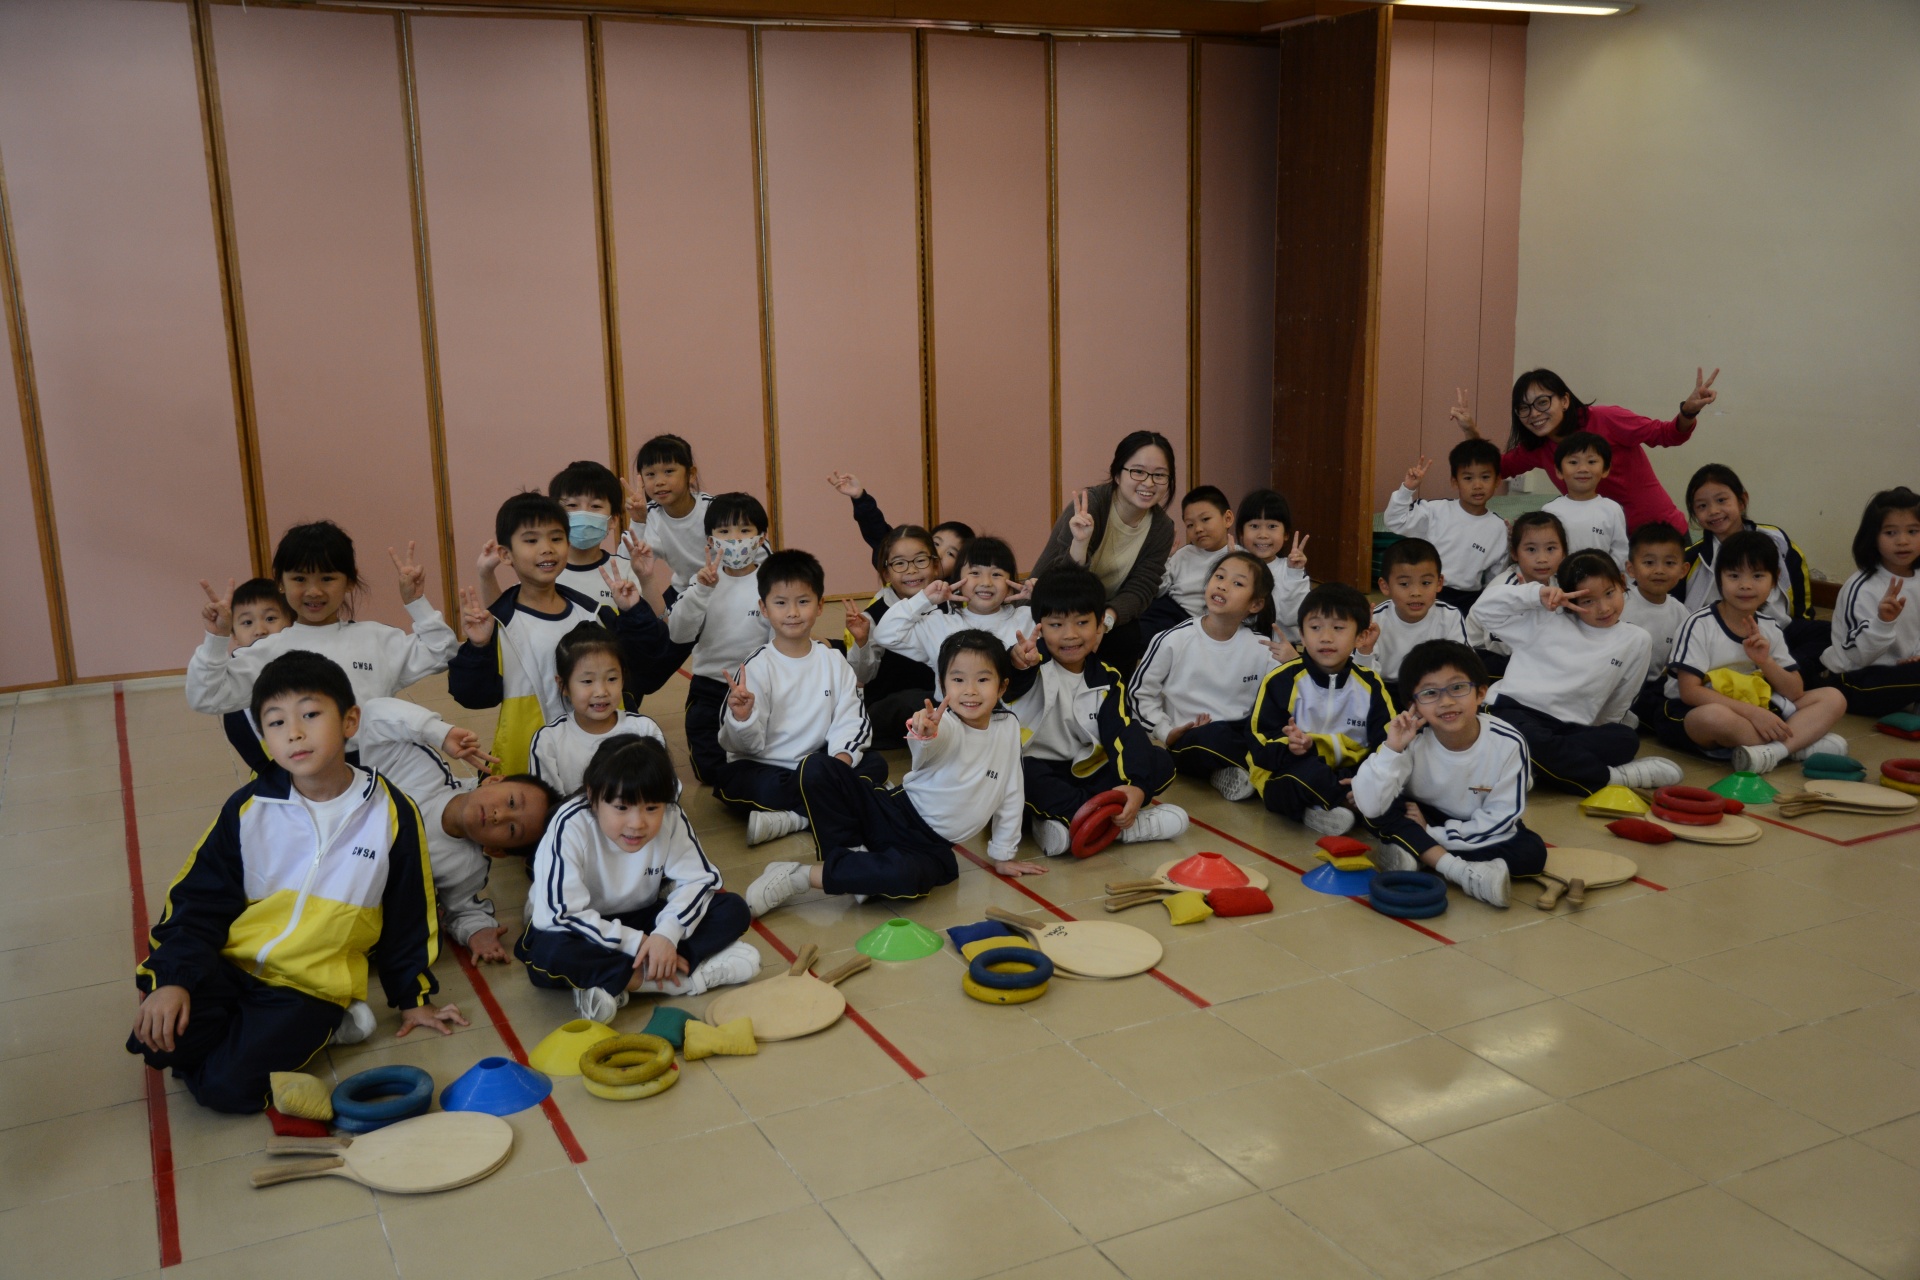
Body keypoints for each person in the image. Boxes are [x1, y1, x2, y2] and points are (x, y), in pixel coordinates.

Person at [128, 652, 464, 1113]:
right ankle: (261, 1037)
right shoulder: (249, 808)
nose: (294, 733)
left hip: (309, 987)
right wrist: (173, 981)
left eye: (310, 715)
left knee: (225, 1089)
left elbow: (410, 913)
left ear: (350, 721)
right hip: (234, 964)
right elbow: (196, 901)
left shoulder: (391, 810)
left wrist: (413, 999)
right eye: (276, 722)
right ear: (264, 737)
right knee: (155, 1042)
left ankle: (332, 1023)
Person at [744, 630, 1041, 917]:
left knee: (906, 877)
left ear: (1002, 687)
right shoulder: (946, 723)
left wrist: (1003, 854)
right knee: (817, 767)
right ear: (942, 685)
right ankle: (850, 857)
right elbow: (932, 741)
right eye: (958, 679)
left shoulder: (1008, 727)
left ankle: (799, 876)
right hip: (890, 813)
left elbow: (1012, 791)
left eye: (983, 679)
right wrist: (925, 732)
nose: (970, 690)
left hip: (930, 848)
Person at [519, 736, 758, 1023]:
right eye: (621, 808)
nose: (637, 824)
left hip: (641, 917)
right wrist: (637, 942)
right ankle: (675, 980)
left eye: (651, 808)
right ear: (593, 796)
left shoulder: (672, 816)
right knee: (549, 952)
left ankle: (614, 980)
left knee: (732, 909)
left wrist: (665, 935)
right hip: (581, 928)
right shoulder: (569, 824)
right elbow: (559, 915)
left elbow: (700, 880)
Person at [450, 493, 670, 776]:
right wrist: (478, 647)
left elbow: (649, 660)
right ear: (505, 554)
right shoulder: (499, 624)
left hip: (601, 762)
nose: (547, 549)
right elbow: (473, 696)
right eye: (531, 541)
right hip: (526, 766)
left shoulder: (593, 614)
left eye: (556, 538)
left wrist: (633, 612)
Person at [188, 521, 458, 737]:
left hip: (378, 768)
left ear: (349, 582)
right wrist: (216, 638)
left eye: (327, 578)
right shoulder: (267, 652)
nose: (314, 591)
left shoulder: (376, 638)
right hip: (305, 775)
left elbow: (442, 652)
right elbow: (206, 697)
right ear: (280, 583)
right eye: (299, 579)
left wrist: (416, 603)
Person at [357, 696, 563, 965]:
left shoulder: (467, 867)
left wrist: (478, 932)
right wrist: (440, 733)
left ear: (496, 850)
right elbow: (373, 713)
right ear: (493, 780)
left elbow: (462, 909)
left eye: (513, 829)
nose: (500, 815)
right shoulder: (419, 772)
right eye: (511, 801)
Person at [1004, 568, 1185, 855]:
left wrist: (1136, 786)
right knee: (1020, 776)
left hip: (1082, 771)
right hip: (1036, 767)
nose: (1070, 635)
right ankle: (1118, 826)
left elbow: (1123, 732)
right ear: (1039, 626)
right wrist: (1017, 664)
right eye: (1056, 624)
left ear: (1100, 625)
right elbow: (1010, 683)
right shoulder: (1028, 663)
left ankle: (1064, 821)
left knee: (1158, 761)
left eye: (1082, 622)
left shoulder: (1107, 678)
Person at [1354, 641, 1546, 909]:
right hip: (1417, 814)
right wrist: (1393, 748)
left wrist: (1432, 833)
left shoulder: (1508, 743)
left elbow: (1501, 817)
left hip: (1465, 823)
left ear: (1481, 693)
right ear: (1413, 705)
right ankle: (1460, 871)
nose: (1446, 702)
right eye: (1430, 693)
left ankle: (1416, 852)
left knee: (1531, 852)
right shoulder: (1411, 738)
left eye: (1457, 688)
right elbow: (1371, 806)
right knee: (1381, 810)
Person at [1471, 552, 1680, 797]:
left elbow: (1620, 701)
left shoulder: (1637, 640)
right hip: (1514, 712)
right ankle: (1613, 778)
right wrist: (1536, 594)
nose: (1604, 608)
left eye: (1610, 593)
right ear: (1569, 597)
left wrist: (1594, 733)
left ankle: (1530, 766)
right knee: (1523, 736)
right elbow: (1483, 610)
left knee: (1625, 739)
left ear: (1622, 583)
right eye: (1588, 601)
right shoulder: (1545, 618)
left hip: (1569, 728)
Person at [715, 549, 884, 845]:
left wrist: (839, 764)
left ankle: (795, 819)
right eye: (780, 603)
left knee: (875, 763)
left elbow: (852, 719)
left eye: (803, 602)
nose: (792, 612)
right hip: (768, 769)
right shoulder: (756, 667)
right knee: (731, 782)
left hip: (818, 766)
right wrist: (742, 718)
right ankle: (841, 802)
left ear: (820, 606)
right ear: (764, 608)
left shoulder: (833, 661)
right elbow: (740, 746)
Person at [1650, 531, 1848, 772]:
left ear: (1774, 580)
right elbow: (1690, 692)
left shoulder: (1769, 627)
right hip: (1696, 711)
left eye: (1757, 576)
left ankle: (1773, 751)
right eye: (1734, 576)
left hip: (1757, 706)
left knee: (1833, 697)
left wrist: (1766, 662)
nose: (1745, 585)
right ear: (1719, 578)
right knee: (1715, 717)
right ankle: (1796, 744)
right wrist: (1754, 714)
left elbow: (1795, 691)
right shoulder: (1699, 624)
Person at [1451, 367, 1720, 535]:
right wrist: (1470, 431)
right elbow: (1493, 469)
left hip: (1660, 536)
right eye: (1524, 408)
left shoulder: (1606, 418)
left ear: (1565, 400)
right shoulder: (1538, 447)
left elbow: (1667, 434)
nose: (1534, 414)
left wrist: (1688, 411)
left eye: (1542, 402)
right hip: (1600, 545)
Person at [1132, 549, 1282, 802]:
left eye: (1237, 583)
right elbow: (1139, 695)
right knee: (1211, 738)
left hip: (1241, 733)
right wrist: (1165, 730)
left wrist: (1292, 662)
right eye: (1219, 577)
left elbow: (1284, 700)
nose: (1223, 586)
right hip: (1193, 736)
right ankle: (1266, 777)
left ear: (1255, 604)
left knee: (1278, 741)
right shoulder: (1174, 639)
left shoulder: (1262, 647)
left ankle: (1249, 777)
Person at [1247, 583, 1394, 837]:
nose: (1325, 637)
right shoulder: (1281, 679)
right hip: (1291, 769)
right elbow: (1259, 743)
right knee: (1303, 778)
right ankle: (1350, 803)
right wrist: (1292, 746)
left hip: (1347, 770)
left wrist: (1367, 777)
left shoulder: (1370, 684)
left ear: (1360, 637)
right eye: (1315, 628)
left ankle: (1326, 808)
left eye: (1338, 628)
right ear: (1302, 636)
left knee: (1396, 781)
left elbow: (1386, 743)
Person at [1032, 431, 1180, 676]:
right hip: (1054, 603)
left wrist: (1106, 619)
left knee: (1128, 635)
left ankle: (1113, 698)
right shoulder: (1090, 506)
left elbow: (1141, 588)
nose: (1149, 483)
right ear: (1117, 474)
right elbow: (1060, 580)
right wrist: (1080, 543)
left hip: (1101, 612)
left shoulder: (1162, 528)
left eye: (1159, 475)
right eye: (1138, 471)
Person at [664, 492, 775, 783]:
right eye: (724, 532)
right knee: (710, 772)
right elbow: (678, 633)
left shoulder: (772, 583)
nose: (735, 539)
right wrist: (701, 592)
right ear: (711, 541)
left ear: (761, 538)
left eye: (745, 530)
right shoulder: (701, 581)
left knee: (768, 754)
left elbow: (781, 640)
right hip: (709, 687)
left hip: (760, 685)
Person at [1679, 464, 1824, 672]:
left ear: (1742, 501)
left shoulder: (1776, 540)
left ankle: (1778, 673)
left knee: (1830, 634)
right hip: (1720, 641)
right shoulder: (1692, 558)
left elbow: (1799, 591)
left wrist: (1800, 623)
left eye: (1721, 500)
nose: (1713, 511)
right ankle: (1773, 676)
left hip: (1778, 632)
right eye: (1702, 506)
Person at [528, 622, 667, 796]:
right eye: (587, 681)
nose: (601, 692)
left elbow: (665, 790)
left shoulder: (645, 730)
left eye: (612, 679)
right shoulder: (548, 742)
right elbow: (546, 804)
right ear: (563, 685)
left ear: (623, 678)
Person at [1820, 487, 1920, 717]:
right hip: (1855, 681)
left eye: (1913, 531)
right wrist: (1883, 622)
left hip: (1902, 675)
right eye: (1890, 533)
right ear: (1873, 537)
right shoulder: (1862, 587)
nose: (1903, 541)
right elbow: (1857, 656)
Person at [871, 535, 1032, 672]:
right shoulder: (938, 624)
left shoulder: (1027, 618)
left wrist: (1040, 597)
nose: (986, 582)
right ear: (958, 581)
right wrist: (924, 599)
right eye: (975, 573)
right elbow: (885, 635)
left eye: (996, 574)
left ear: (1010, 584)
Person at [844, 524, 941, 751]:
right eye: (899, 563)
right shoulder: (874, 615)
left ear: (935, 565)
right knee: (915, 702)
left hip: (937, 702)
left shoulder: (948, 605)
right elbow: (861, 677)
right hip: (888, 708)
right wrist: (861, 641)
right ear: (886, 573)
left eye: (920, 560)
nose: (911, 570)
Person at [1382, 441, 1509, 613]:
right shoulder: (1435, 511)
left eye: (1485, 477)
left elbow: (1496, 579)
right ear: (1455, 482)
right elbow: (1395, 521)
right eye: (1468, 478)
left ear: (1497, 481)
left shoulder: (1499, 528)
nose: (1477, 485)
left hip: (1469, 600)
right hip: (1427, 592)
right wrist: (1407, 489)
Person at [1471, 510, 1567, 678]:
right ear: (1515, 553)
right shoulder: (1505, 585)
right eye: (1531, 549)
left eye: (1551, 548)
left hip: (1530, 650)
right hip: (1488, 655)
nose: (1542, 558)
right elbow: (1495, 641)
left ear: (1564, 552)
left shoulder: (1558, 582)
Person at [822, 469, 974, 574]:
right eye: (936, 543)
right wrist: (860, 498)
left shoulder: (955, 600)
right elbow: (879, 534)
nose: (938, 554)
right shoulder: (901, 568)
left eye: (951, 553)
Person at [1366, 538, 1473, 684]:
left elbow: (1464, 665)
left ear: (1439, 583)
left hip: (1434, 687)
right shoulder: (1374, 620)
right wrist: (1364, 650)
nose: (1416, 592)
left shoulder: (1449, 616)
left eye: (1426, 583)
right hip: (1384, 687)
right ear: (1385, 586)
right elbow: (1361, 677)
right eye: (1404, 584)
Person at [1138, 485, 1237, 642]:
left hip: (1203, 621)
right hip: (1171, 611)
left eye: (1205, 519)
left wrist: (1234, 566)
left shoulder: (1239, 557)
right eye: (1190, 525)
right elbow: (1159, 590)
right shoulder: (1183, 554)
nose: (1198, 529)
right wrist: (1165, 560)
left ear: (1228, 519)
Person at [1621, 522, 1693, 730]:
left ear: (1683, 570)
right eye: (1649, 562)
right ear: (1631, 569)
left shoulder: (1682, 613)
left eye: (1669, 563)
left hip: (1658, 686)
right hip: (1621, 684)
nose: (1659, 570)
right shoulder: (1619, 603)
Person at [217, 578, 292, 773]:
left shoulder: (310, 665)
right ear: (234, 635)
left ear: (291, 623)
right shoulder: (236, 685)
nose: (260, 630)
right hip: (271, 772)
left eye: (270, 619)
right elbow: (240, 737)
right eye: (247, 622)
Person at [546, 459, 641, 612]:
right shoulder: (541, 572)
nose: (583, 514)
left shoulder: (628, 571)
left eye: (595, 506)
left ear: (613, 520)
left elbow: (654, 622)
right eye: (572, 505)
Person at [625, 434, 713, 591]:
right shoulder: (649, 515)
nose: (659, 482)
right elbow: (626, 564)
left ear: (691, 474)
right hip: (684, 590)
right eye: (650, 474)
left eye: (669, 471)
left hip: (722, 587)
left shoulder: (713, 509)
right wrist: (638, 522)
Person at [1237, 488, 1312, 643]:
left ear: (1286, 534)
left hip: (1284, 648)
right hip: (1243, 646)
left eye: (1272, 526)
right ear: (1241, 533)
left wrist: (1294, 574)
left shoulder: (1291, 569)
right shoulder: (1233, 566)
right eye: (1254, 526)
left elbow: (1293, 617)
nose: (1263, 535)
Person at [1543, 432, 1630, 565]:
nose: (1583, 469)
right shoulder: (1550, 510)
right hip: (1560, 577)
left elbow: (1621, 552)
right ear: (1559, 471)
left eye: (1591, 462)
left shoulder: (1612, 509)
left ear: (1606, 469)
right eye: (1573, 462)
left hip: (1602, 576)